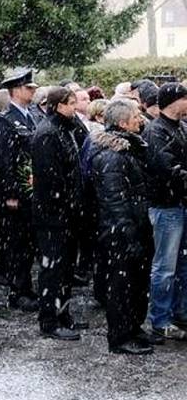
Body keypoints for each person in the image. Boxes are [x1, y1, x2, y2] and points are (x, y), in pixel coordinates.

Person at [90, 99, 156, 355]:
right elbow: (115, 202)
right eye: (136, 116)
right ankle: (119, 336)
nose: (140, 119)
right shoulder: (112, 156)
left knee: (137, 284)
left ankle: (133, 328)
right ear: (122, 123)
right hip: (120, 233)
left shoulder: (130, 149)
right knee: (122, 286)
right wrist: (129, 235)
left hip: (135, 227)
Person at [30, 87, 84, 341]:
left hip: (66, 213)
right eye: (71, 103)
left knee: (64, 269)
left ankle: (63, 313)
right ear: (58, 105)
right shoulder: (47, 133)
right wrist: (64, 206)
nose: (75, 108)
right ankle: (50, 320)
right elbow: (51, 179)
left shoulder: (65, 129)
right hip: (53, 216)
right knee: (53, 269)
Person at [0, 67, 39, 312]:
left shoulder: (31, 117)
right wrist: (10, 194)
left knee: (28, 244)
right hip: (17, 196)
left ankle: (25, 286)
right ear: (16, 91)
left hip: (30, 193)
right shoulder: (4, 122)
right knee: (17, 245)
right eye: (29, 88)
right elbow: (2, 163)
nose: (33, 91)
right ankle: (18, 291)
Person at [142, 82, 187, 340]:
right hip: (165, 206)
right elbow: (166, 168)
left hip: (181, 203)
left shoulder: (181, 127)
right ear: (174, 101)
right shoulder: (155, 131)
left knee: (183, 264)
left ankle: (180, 311)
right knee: (165, 266)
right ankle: (160, 319)